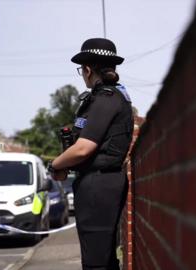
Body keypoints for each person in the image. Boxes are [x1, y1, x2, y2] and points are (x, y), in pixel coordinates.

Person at [49, 38, 134, 270]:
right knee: (103, 260)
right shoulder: (105, 97)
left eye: (82, 70)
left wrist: (55, 165)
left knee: (95, 263)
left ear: (87, 69)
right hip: (99, 182)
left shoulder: (106, 98)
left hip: (99, 185)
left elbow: (84, 148)